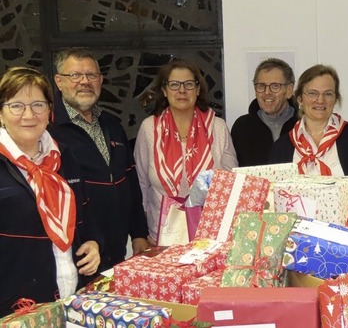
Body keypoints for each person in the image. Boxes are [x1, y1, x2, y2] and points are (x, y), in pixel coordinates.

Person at [0, 67, 101, 315]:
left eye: (38, 104)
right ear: (1, 113)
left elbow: (85, 215)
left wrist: (93, 243)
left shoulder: (65, 157)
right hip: (18, 310)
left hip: (72, 298)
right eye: (16, 106)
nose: (28, 115)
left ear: (49, 111)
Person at [49, 48, 149, 273]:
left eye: (91, 75)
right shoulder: (48, 130)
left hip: (116, 252)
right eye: (75, 75)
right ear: (59, 81)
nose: (84, 81)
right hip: (79, 255)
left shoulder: (112, 125)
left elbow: (130, 181)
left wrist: (139, 233)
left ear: (100, 80)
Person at [134, 60, 238, 244]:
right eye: (174, 84)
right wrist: (140, 234)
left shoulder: (218, 127)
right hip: (161, 237)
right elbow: (140, 184)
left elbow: (230, 183)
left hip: (210, 237)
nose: (182, 90)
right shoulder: (149, 128)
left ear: (198, 90)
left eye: (189, 84)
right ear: (164, 91)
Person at [269, 64, 348, 189]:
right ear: (300, 99)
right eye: (312, 93)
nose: (320, 100)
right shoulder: (281, 147)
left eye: (328, 94)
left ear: (335, 99)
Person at [231, 58, 298, 166]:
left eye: (275, 86)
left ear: (289, 90)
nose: (267, 92)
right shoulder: (242, 127)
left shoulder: (303, 125)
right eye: (261, 86)